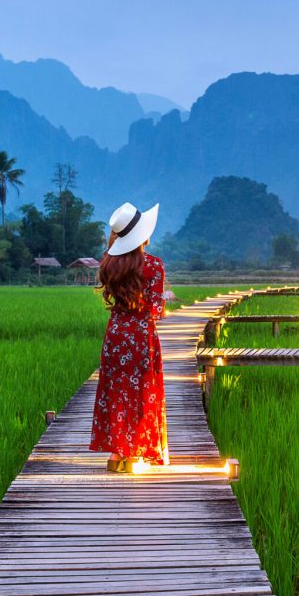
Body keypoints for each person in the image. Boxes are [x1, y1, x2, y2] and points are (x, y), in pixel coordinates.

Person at [89, 201, 169, 473]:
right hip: (141, 335)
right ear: (142, 234)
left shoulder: (108, 262)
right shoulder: (155, 266)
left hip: (116, 334)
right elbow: (156, 309)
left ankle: (116, 453)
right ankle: (133, 452)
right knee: (140, 390)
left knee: (117, 389)